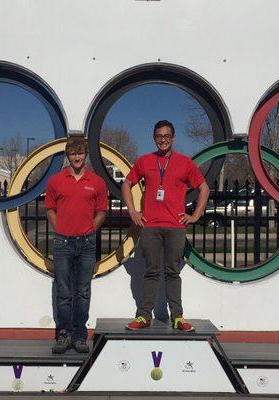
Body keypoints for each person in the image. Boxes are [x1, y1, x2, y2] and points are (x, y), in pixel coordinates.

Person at [121, 120, 210, 331]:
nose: (163, 140)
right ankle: (144, 316)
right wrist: (133, 211)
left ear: (173, 138)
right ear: (154, 138)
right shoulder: (144, 161)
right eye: (159, 136)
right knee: (151, 272)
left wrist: (195, 215)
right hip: (150, 226)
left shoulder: (185, 163)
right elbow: (126, 184)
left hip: (175, 226)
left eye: (167, 136)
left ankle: (177, 316)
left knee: (172, 272)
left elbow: (204, 188)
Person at [45, 136, 108, 353]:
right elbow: (50, 209)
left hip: (87, 243)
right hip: (63, 242)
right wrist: (59, 228)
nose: (77, 157)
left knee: (82, 291)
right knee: (63, 292)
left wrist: (91, 228)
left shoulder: (97, 182)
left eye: (80, 153)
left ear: (86, 155)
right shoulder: (55, 181)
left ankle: (80, 335)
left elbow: (101, 211)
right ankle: (63, 335)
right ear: (67, 156)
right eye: (73, 153)